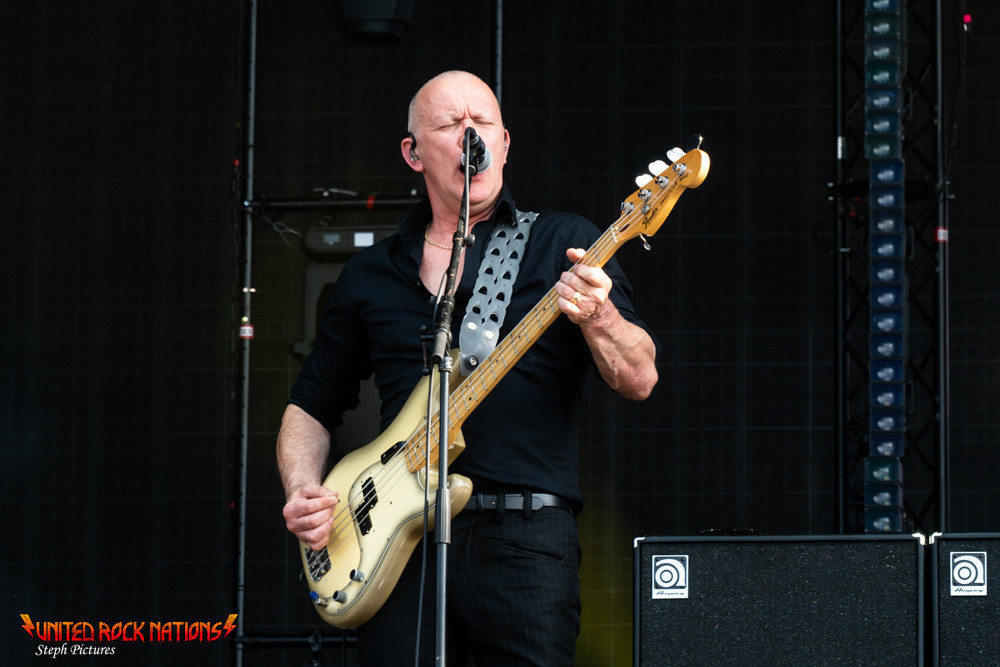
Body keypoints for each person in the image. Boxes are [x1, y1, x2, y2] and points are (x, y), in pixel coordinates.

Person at [277, 69, 658, 666]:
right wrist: (302, 488)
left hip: (524, 540)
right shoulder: (370, 274)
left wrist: (601, 317)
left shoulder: (563, 241)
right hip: (395, 547)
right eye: (451, 124)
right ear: (413, 153)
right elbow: (309, 406)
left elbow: (638, 379)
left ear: (504, 144)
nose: (469, 135)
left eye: (481, 122)